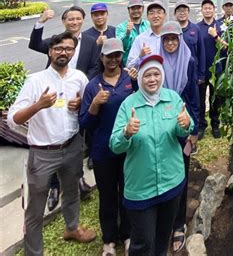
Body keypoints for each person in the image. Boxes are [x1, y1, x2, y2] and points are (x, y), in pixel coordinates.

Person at [7, 31, 96, 255]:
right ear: (50, 51)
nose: (63, 52)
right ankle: (34, 252)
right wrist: (38, 105)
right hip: (42, 153)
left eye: (68, 48)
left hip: (72, 146)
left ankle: (72, 228)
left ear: (73, 52)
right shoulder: (35, 81)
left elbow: (88, 105)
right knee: (35, 207)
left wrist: (81, 104)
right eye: (58, 48)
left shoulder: (79, 78)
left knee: (72, 192)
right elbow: (12, 119)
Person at [109, 55, 193, 256]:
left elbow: (182, 129)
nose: (153, 79)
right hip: (141, 188)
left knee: (163, 237)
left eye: (156, 74)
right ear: (140, 78)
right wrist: (126, 132)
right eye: (147, 75)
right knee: (143, 243)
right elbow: (115, 145)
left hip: (171, 182)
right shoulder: (129, 105)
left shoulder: (172, 98)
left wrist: (186, 124)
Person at [28, 5, 98, 204]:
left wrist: (83, 95)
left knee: (75, 141)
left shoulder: (91, 42)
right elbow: (34, 44)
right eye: (70, 19)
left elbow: (94, 67)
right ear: (64, 21)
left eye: (78, 18)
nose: (74, 22)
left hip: (76, 98)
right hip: (53, 97)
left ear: (83, 20)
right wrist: (40, 22)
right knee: (53, 141)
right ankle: (53, 187)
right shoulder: (56, 40)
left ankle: (78, 178)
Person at [79, 38, 134, 256]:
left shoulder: (130, 80)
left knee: (128, 193)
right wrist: (94, 104)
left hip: (128, 148)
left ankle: (127, 235)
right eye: (108, 56)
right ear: (101, 58)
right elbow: (85, 123)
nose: (113, 60)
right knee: (107, 196)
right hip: (103, 151)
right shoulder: (93, 85)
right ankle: (109, 240)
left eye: (117, 55)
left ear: (122, 56)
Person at [156, 22, 200, 254]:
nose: (171, 43)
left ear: (180, 40)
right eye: (167, 39)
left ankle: (178, 224)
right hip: (159, 126)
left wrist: (195, 130)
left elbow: (193, 95)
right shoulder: (156, 63)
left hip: (183, 123)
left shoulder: (189, 60)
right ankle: (162, 222)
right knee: (160, 172)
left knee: (181, 174)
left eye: (174, 39)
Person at [196, 0, 225, 140]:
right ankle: (201, 125)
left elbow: (226, 47)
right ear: (201, 11)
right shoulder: (197, 28)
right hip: (201, 71)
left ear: (214, 10)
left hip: (217, 70)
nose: (207, 10)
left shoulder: (220, 26)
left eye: (210, 8)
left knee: (215, 99)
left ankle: (215, 124)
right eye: (205, 8)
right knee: (200, 100)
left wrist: (216, 36)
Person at [126, 0, 167, 68]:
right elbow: (129, 66)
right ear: (147, 16)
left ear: (165, 15)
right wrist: (140, 57)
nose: (155, 16)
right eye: (152, 13)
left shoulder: (171, 37)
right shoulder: (140, 39)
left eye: (159, 12)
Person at [174, 0, 206, 84]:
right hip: (176, 72)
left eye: (184, 10)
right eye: (179, 11)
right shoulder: (172, 29)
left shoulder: (195, 29)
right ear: (175, 14)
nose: (182, 13)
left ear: (188, 12)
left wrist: (201, 75)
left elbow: (201, 52)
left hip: (193, 72)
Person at [115, 0, 150, 64]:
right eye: (133, 8)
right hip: (129, 66)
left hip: (146, 64)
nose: (136, 10)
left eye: (138, 8)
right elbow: (121, 48)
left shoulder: (148, 25)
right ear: (128, 9)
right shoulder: (121, 27)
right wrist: (127, 34)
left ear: (143, 9)